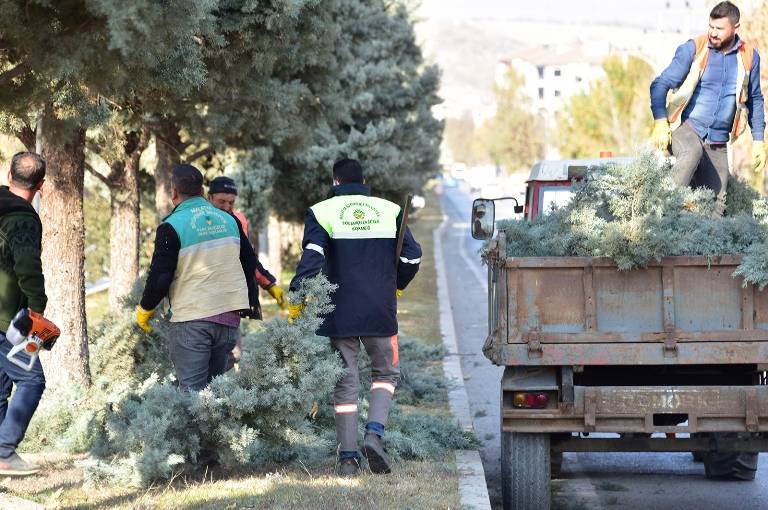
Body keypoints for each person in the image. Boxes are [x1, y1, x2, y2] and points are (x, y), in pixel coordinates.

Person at [288, 158, 422, 476]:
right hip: (380, 309)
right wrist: (397, 285)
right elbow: (412, 256)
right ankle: (374, 434)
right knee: (385, 374)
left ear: (336, 183)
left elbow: (313, 257)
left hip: (339, 311)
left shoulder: (322, 212)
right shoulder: (390, 210)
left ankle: (348, 459)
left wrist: (296, 296)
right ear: (363, 181)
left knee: (345, 382)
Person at [135, 164, 263, 391]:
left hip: (192, 320)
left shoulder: (171, 225)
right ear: (203, 192)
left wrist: (145, 310)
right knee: (212, 393)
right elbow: (249, 262)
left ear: (174, 192)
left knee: (192, 397)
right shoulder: (229, 220)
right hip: (228, 321)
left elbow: (160, 276)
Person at [650, 1, 766, 216]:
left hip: (718, 140)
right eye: (711, 26)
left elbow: (755, 99)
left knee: (716, 207)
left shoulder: (749, 56)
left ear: (735, 28)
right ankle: (661, 212)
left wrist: (759, 140)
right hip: (687, 128)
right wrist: (659, 121)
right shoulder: (694, 49)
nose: (713, 32)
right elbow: (660, 84)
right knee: (691, 152)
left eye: (720, 28)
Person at [0, 152, 47, 475]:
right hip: (7, 318)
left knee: (0, 386)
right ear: (41, 185)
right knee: (32, 380)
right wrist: (37, 307)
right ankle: (4, 450)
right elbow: (27, 265)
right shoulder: (22, 218)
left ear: (8, 175)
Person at [207, 175, 286, 370]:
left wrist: (269, 285)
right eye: (221, 202)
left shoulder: (239, 219)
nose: (227, 206)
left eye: (231, 202)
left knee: (232, 355)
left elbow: (247, 258)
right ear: (209, 198)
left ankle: (230, 397)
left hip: (233, 298)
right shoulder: (201, 221)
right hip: (205, 297)